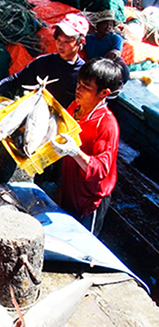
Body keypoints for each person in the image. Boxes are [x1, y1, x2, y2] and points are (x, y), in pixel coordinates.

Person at [51, 57, 122, 236]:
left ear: (104, 93)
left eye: (86, 88)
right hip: (69, 185)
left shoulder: (107, 124)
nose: (78, 90)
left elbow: (100, 170)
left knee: (82, 245)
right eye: (79, 84)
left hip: (90, 199)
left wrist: (75, 152)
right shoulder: (76, 106)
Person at [0, 13, 90, 109]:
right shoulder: (44, 63)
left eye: (66, 41)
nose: (60, 45)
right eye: (58, 40)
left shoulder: (84, 74)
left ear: (81, 41)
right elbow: (16, 79)